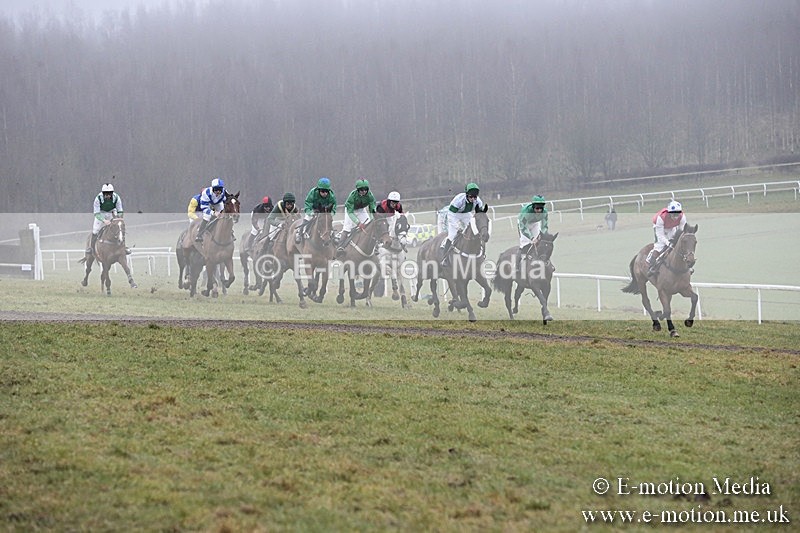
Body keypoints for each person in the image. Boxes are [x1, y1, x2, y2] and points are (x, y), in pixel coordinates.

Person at [439, 182, 485, 266]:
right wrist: (458, 226)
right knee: (452, 235)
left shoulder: (478, 201)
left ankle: (480, 252)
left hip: (466, 214)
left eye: (475, 197)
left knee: (475, 231)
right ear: (467, 195)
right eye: (471, 196)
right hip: (454, 214)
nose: (473, 199)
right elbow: (451, 214)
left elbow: (479, 215)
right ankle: (444, 257)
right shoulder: (459, 199)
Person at [647, 200, 688, 275]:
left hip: (672, 227)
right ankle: (652, 266)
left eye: (677, 214)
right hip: (660, 228)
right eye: (674, 214)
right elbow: (660, 235)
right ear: (669, 213)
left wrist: (675, 240)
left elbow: (681, 231)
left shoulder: (682, 217)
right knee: (660, 246)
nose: (676, 217)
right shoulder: (661, 217)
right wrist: (668, 243)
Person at [337, 178, 377, 252]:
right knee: (347, 228)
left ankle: (374, 246)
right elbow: (350, 212)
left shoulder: (370, 195)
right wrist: (358, 223)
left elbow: (372, 209)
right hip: (350, 210)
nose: (364, 192)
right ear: (358, 190)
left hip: (361, 209)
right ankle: (340, 247)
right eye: (361, 190)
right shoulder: (352, 196)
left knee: (369, 225)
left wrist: (373, 218)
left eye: (365, 189)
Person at [88, 183, 127, 254]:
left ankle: (124, 247)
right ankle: (91, 249)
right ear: (103, 193)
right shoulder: (98, 198)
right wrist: (104, 220)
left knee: (119, 227)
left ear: (112, 193)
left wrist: (119, 218)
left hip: (112, 212)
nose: (108, 195)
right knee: (95, 230)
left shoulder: (117, 197)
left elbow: (120, 210)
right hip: (100, 213)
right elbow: (96, 213)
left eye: (109, 193)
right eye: (106, 193)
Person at [295, 177, 337, 243]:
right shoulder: (313, 192)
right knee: (308, 218)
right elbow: (308, 203)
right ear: (318, 190)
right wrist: (311, 212)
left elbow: (334, 205)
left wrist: (331, 213)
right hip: (313, 209)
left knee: (328, 220)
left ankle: (333, 236)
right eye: (323, 191)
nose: (325, 193)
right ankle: (300, 234)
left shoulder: (331, 195)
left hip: (325, 211)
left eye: (326, 191)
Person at [195, 177, 228, 242]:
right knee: (207, 216)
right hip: (207, 204)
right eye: (216, 189)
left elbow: (227, 202)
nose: (218, 192)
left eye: (220, 189)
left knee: (224, 215)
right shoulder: (206, 193)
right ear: (212, 188)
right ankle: (199, 235)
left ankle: (229, 232)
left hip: (218, 203)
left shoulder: (224, 192)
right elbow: (204, 208)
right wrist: (214, 213)